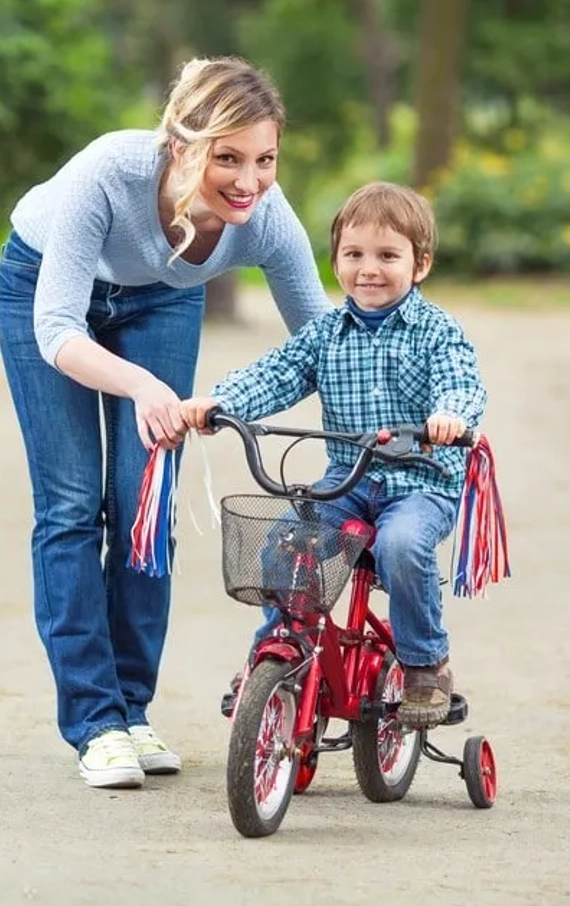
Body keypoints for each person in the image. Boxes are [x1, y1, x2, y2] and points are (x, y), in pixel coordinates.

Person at [0, 56, 333, 789]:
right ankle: (94, 722)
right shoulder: (107, 175)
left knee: (146, 500)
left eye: (266, 159)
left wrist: (396, 428)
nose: (249, 181)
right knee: (73, 504)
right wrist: (143, 387)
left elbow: (331, 345)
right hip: (45, 289)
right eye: (229, 158)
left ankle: (131, 709)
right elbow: (57, 330)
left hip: (161, 300)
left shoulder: (264, 220)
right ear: (182, 146)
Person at [180, 181, 487, 728]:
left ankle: (424, 663)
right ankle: (281, 648)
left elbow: (460, 384)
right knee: (283, 542)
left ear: (421, 265)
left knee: (400, 544)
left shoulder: (438, 333)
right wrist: (221, 403)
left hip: (421, 484)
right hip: (349, 481)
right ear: (337, 260)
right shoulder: (325, 333)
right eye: (354, 255)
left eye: (388, 256)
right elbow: (277, 373)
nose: (369, 269)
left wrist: (452, 417)